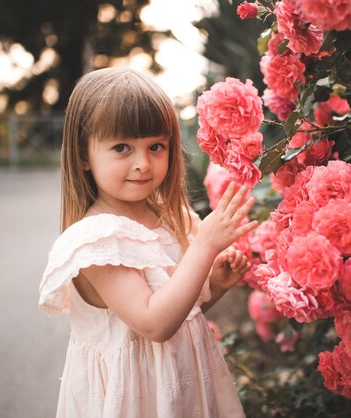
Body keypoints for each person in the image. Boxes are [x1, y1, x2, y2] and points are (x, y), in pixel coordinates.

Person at [38, 67, 258, 418]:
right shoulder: (98, 241)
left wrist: (214, 284)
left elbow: (180, 315)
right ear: (83, 155)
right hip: (133, 402)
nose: (143, 164)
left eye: (156, 146)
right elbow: (155, 324)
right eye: (122, 148)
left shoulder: (169, 219)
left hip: (180, 389)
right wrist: (204, 248)